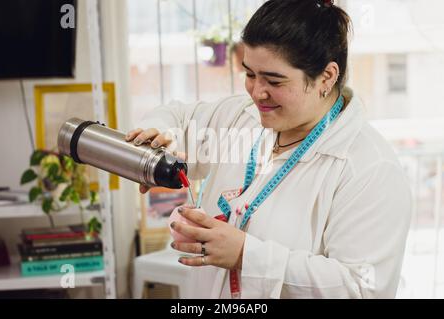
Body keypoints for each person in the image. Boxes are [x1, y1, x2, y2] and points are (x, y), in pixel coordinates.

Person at [126, 0, 412, 298]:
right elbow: (178, 118)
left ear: (326, 77)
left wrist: (246, 256)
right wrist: (161, 138)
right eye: (250, 74)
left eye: (274, 80)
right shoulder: (240, 117)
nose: (256, 92)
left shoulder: (370, 170)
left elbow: (361, 288)